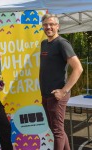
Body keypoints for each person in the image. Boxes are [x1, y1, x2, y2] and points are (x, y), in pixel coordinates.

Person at [39, 14, 83, 150]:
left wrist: (63, 91)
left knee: (57, 131)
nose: (48, 27)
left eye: (52, 24)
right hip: (46, 94)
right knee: (56, 129)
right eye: (46, 24)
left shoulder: (62, 43)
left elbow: (78, 68)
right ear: (43, 26)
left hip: (57, 95)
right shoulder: (44, 43)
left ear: (58, 26)